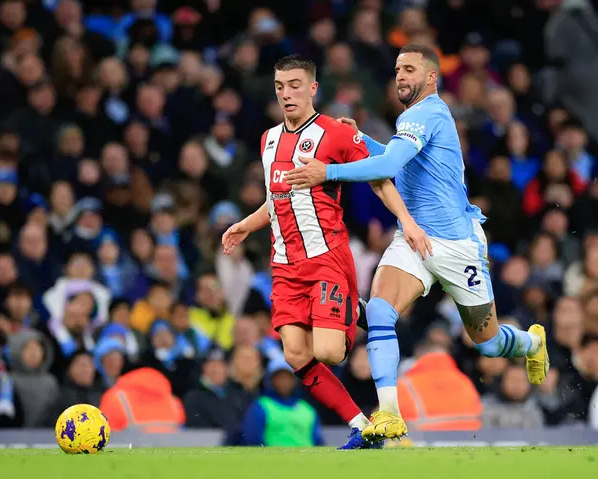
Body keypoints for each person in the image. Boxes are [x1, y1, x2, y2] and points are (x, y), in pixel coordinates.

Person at [285, 44, 549, 441]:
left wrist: (330, 172)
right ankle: (389, 414)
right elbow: (396, 160)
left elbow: (389, 167)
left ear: (431, 77)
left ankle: (532, 342)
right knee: (378, 310)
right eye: (396, 70)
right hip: (413, 237)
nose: (401, 76)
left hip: (457, 244)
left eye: (409, 69)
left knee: (488, 343)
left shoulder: (429, 113)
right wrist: (361, 139)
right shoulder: (412, 119)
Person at [222, 54, 413, 449]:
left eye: (294, 85)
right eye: (279, 87)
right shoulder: (268, 139)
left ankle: (358, 309)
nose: (286, 94)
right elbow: (277, 199)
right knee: (295, 355)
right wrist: (246, 223)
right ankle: (362, 425)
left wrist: (406, 222)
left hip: (325, 257)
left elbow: (379, 178)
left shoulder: (336, 133)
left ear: (312, 88)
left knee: (328, 352)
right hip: (284, 265)